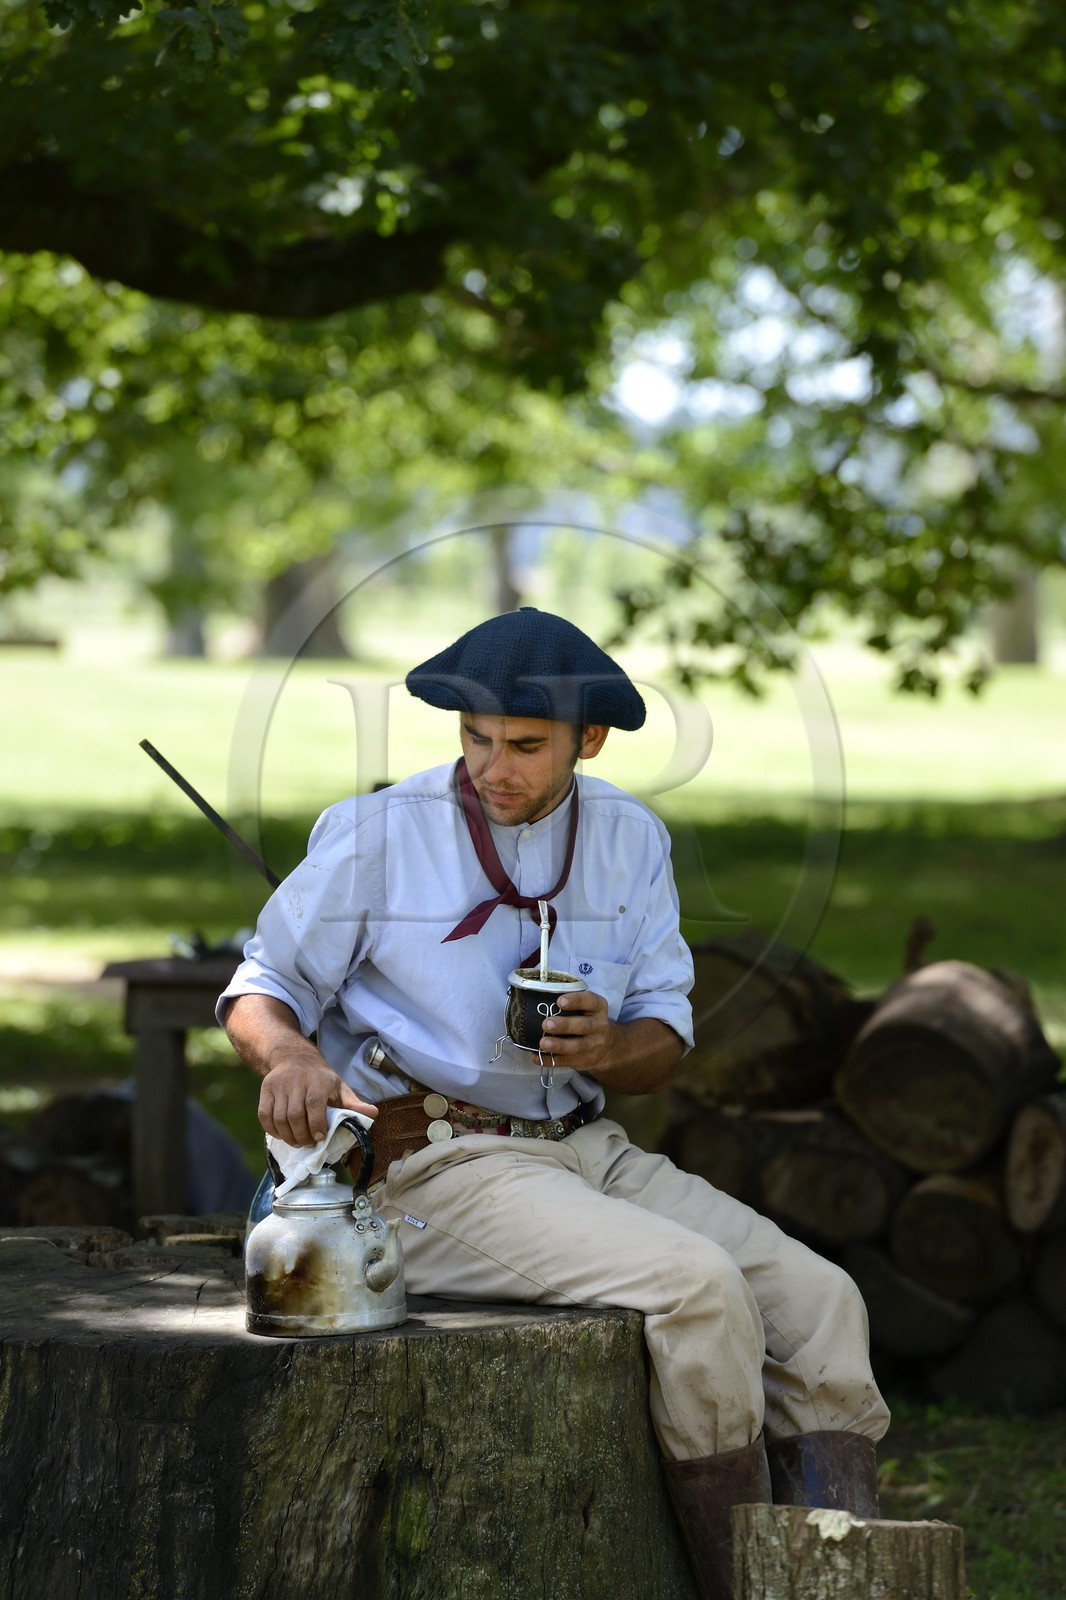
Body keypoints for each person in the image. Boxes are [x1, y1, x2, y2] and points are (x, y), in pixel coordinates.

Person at [219, 606, 889, 1600]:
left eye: (524, 745)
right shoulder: (382, 834)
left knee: (822, 1303)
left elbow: (664, 1035)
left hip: (587, 1145)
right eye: (476, 738)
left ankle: (846, 1580)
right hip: (433, 1165)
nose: (494, 765)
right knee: (697, 1286)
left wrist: (612, 1045)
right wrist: (285, 1057)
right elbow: (259, 985)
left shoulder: (627, 838)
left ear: (590, 739)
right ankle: (742, 1584)